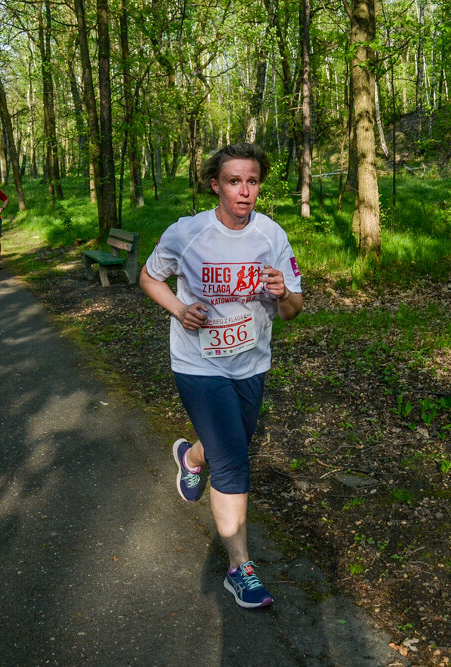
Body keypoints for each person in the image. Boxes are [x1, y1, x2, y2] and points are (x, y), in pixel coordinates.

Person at [139, 143, 303, 610]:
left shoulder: (273, 235)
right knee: (233, 460)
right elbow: (151, 278)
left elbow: (293, 310)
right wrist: (179, 308)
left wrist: (282, 293)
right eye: (234, 181)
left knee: (230, 441)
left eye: (252, 181)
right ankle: (240, 570)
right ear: (217, 185)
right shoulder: (187, 233)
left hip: (251, 362)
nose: (245, 191)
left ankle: (190, 458)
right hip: (197, 363)